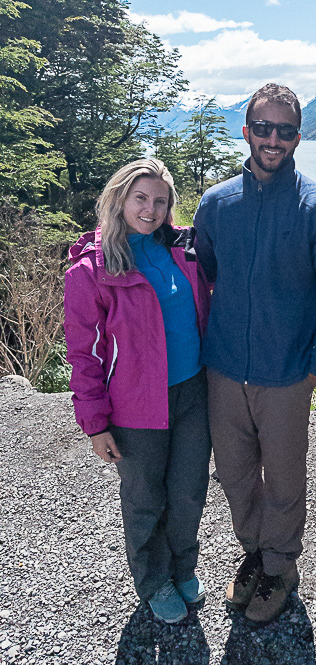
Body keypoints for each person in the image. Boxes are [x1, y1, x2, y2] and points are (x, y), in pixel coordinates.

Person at [193, 84, 316, 622]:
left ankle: (281, 567)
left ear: (297, 138)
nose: (272, 139)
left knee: (284, 480)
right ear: (246, 131)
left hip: (286, 376)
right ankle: (256, 555)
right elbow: (209, 274)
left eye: (284, 130)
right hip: (223, 371)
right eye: (263, 127)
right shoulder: (215, 205)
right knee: (236, 475)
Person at [64, 158, 212, 624]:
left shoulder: (182, 250)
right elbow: (84, 353)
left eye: (160, 201)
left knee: (189, 492)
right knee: (145, 497)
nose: (150, 209)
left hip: (192, 392)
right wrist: (94, 423)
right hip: (133, 406)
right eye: (141, 198)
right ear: (120, 198)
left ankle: (183, 566)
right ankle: (152, 580)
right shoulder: (92, 269)